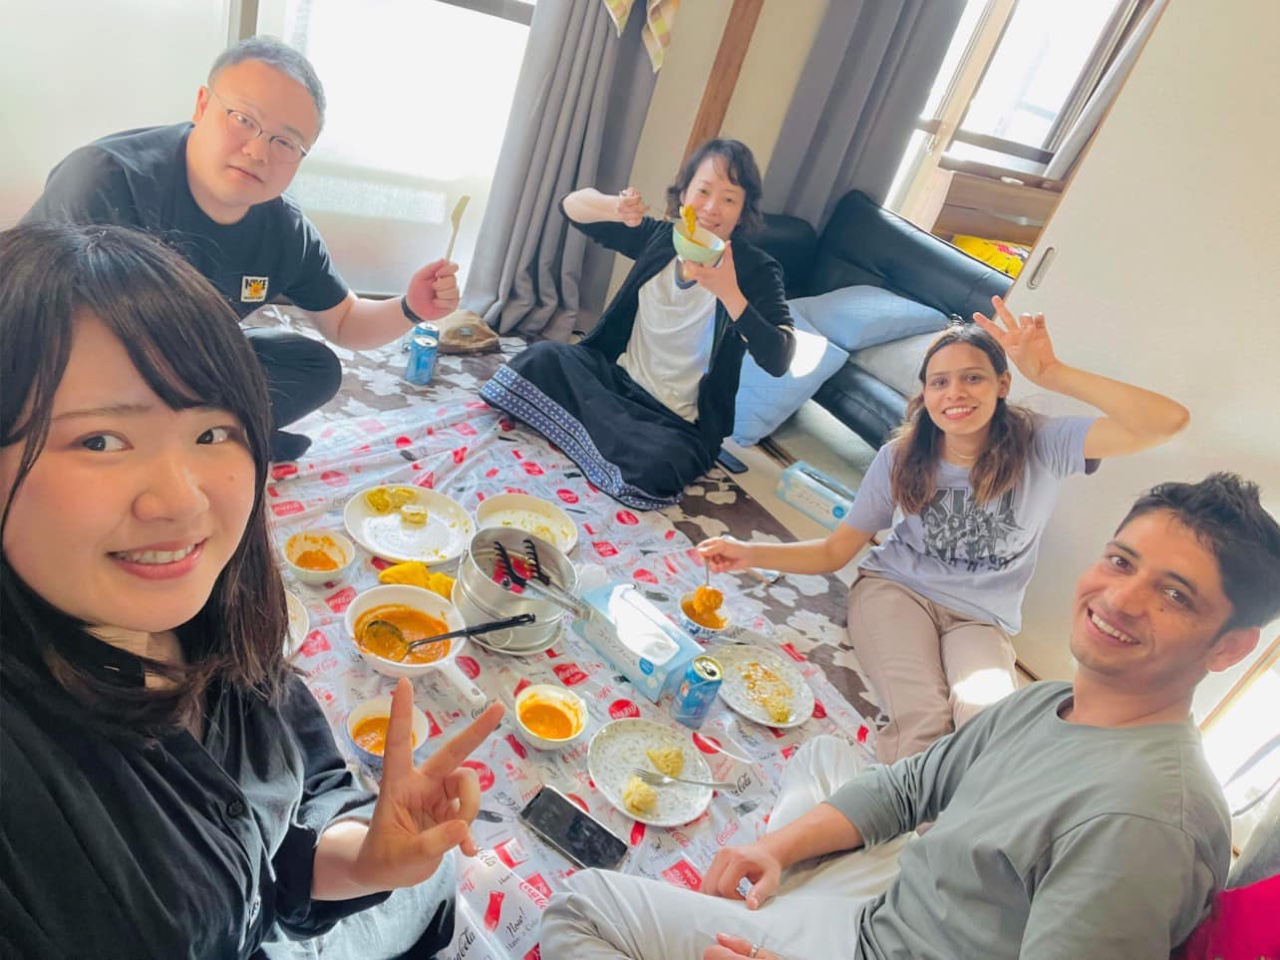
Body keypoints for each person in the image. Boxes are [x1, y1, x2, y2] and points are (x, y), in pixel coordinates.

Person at [0, 222, 502, 958]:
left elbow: (291, 829)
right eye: (101, 441)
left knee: (436, 871)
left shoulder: (218, 613)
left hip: (270, 921)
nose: (182, 502)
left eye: (212, 433)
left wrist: (364, 858)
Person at [540, 473, 1280, 959]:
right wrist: (776, 850)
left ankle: (777, 921)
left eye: (1175, 595)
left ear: (1230, 647)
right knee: (828, 759)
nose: (1120, 599)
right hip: (897, 906)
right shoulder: (1050, 701)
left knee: (580, 907)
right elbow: (908, 789)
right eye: (1121, 561)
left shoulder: (1142, 825)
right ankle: (787, 894)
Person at [700, 300, 1190, 762]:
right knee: (923, 717)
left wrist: (1052, 373)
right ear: (925, 396)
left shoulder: (1043, 442)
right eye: (939, 382)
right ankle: (905, 817)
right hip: (896, 592)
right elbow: (834, 551)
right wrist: (749, 551)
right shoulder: (899, 457)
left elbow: (1166, 422)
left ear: (1002, 384)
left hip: (981, 618)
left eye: (972, 377)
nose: (955, 393)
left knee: (988, 730)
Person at [21, 37, 460, 463]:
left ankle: (201, 439)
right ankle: (215, 440)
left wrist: (412, 307)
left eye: (285, 142)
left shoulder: (285, 230)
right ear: (202, 105)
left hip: (186, 367)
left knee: (314, 367)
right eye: (243, 120)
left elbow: (345, 321)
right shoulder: (107, 180)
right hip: (80, 365)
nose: (257, 151)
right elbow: (42, 326)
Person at [479, 139, 795, 510]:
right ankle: (605, 447)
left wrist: (731, 294)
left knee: (657, 465)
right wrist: (613, 207)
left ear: (742, 213)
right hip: (616, 380)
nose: (711, 208)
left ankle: (586, 436)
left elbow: (780, 358)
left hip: (675, 423)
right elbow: (570, 207)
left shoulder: (756, 271)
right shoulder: (662, 237)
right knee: (539, 359)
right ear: (684, 195)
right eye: (703, 191)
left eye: (728, 199)